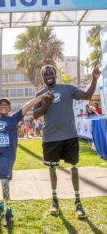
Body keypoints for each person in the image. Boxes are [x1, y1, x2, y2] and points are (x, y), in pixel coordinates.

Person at [0, 87, 51, 227]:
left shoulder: (14, 118)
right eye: (1, 105)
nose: (3, 107)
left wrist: (42, 97)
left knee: (4, 180)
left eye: (6, 105)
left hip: (7, 154)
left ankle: (9, 210)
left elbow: (28, 104)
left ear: (9, 108)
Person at [33, 64, 100, 219]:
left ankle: (78, 201)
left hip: (69, 135)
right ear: (43, 77)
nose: (48, 75)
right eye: (45, 74)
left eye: (51, 73)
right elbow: (35, 115)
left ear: (55, 75)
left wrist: (94, 80)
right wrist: (47, 102)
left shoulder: (68, 89)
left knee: (74, 168)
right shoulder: (40, 93)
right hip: (50, 138)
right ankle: (55, 200)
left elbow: (87, 96)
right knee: (52, 169)